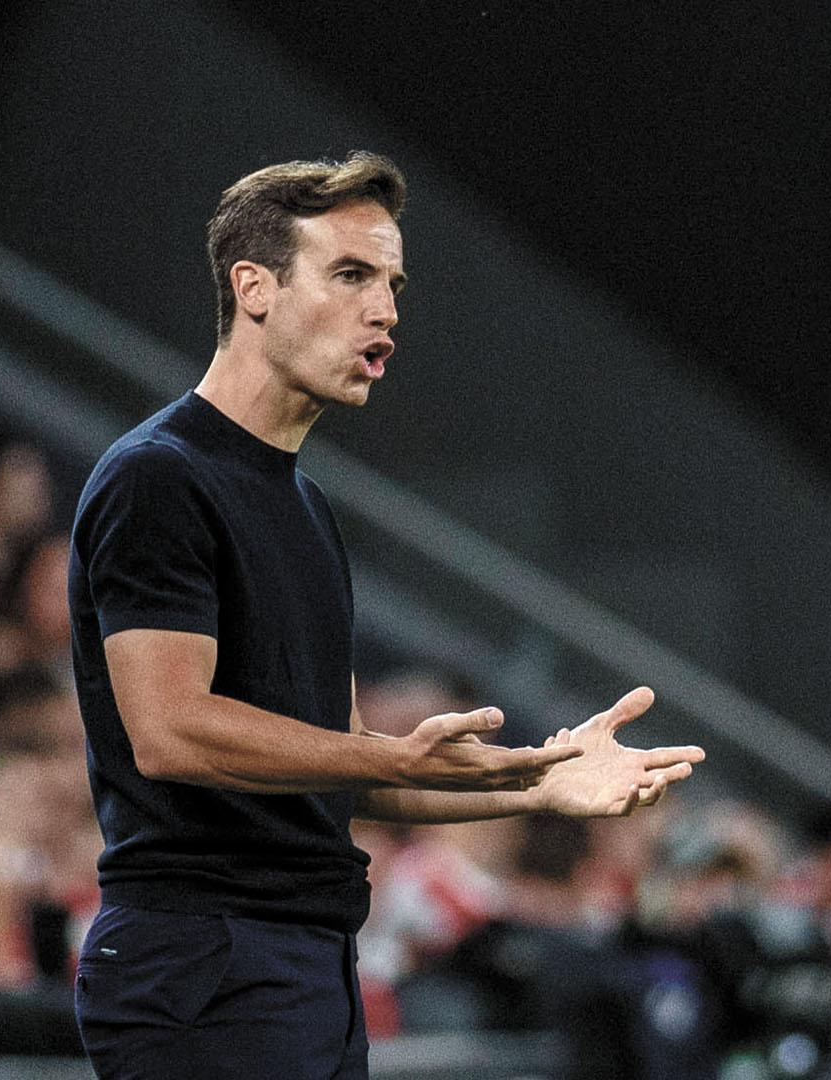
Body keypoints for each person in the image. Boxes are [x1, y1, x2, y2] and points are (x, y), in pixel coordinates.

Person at [66, 151, 705, 1079]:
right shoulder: (159, 476)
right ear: (254, 287)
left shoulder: (307, 507)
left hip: (308, 959)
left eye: (394, 284)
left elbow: (345, 764)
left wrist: (532, 782)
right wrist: (386, 753)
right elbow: (170, 730)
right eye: (351, 275)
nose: (387, 311)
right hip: (203, 961)